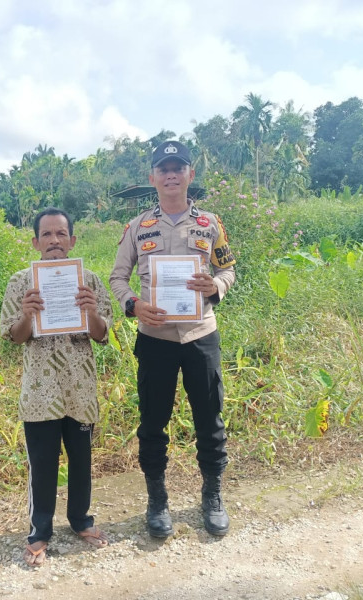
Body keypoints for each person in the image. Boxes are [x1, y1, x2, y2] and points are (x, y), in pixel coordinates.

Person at [109, 140, 236, 538]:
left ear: (189, 174)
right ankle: (157, 500)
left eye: (178, 168)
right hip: (155, 337)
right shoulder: (137, 227)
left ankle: (212, 496)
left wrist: (216, 286)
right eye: (163, 169)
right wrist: (133, 305)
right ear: (153, 178)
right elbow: (117, 277)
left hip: (201, 335)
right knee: (152, 422)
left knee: (209, 419)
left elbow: (229, 270)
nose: (171, 175)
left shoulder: (210, 224)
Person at [0, 207, 114, 567]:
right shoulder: (21, 283)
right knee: (42, 464)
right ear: (35, 242)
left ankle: (81, 520)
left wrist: (90, 312)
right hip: (40, 393)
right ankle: (40, 531)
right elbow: (14, 336)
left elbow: (102, 334)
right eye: (46, 234)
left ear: (72, 240)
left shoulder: (89, 282)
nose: (54, 240)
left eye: (61, 233)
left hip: (80, 390)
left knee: (81, 460)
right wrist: (28, 316)